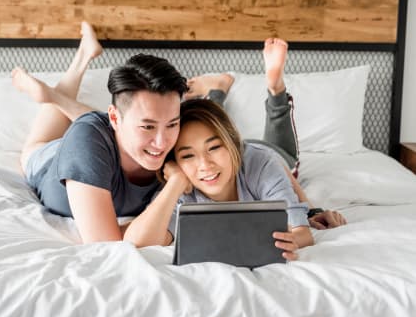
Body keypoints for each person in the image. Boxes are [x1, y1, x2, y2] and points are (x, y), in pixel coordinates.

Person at [124, 39, 344, 258]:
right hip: (230, 146)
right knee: (204, 126)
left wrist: (294, 236)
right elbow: (138, 242)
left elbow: (302, 233)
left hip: (273, 154)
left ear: (231, 145)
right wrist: (175, 184)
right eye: (188, 155)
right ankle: (216, 90)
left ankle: (276, 91)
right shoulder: (183, 184)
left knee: (274, 142)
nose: (204, 165)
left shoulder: (262, 163)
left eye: (215, 148)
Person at [12, 21, 188, 244]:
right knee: (36, 145)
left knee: (101, 124)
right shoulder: (85, 144)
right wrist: (176, 184)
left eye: (172, 124)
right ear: (114, 117)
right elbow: (106, 243)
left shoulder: (182, 136)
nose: (162, 142)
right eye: (148, 127)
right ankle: (76, 64)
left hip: (107, 132)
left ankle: (56, 94)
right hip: (51, 159)